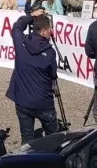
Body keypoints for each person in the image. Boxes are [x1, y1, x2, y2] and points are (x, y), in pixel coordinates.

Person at [6, 10, 58, 144]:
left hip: (23, 100)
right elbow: (53, 75)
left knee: (27, 138)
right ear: (44, 31)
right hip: (43, 101)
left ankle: (26, 161)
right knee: (52, 138)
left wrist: (32, 16)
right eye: (50, 29)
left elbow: (17, 26)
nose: (51, 32)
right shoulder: (50, 52)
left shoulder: (21, 41)